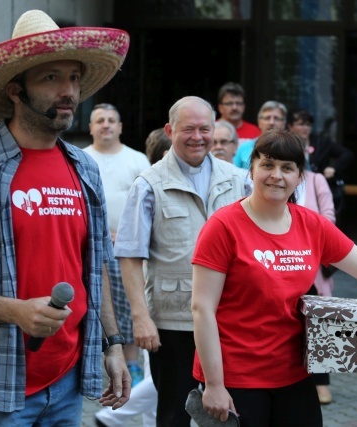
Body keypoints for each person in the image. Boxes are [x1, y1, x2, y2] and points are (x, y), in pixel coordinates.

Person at [0, 10, 131, 425]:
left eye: (73, 78)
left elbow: (96, 263)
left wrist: (113, 344)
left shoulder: (85, 169)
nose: (68, 91)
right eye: (51, 78)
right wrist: (15, 311)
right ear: (15, 90)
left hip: (69, 381)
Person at [191, 129, 357, 426]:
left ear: (300, 176)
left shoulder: (311, 225)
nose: (277, 175)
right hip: (236, 377)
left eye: (287, 168)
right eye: (268, 164)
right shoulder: (223, 226)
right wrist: (214, 384)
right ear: (251, 169)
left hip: (294, 373)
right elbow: (202, 309)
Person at [115, 96, 247, 427]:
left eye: (205, 129)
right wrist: (140, 318)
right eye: (188, 129)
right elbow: (130, 256)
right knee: (174, 413)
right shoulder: (148, 184)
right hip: (174, 322)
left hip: (230, 319)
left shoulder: (239, 179)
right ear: (169, 130)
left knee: (236, 411)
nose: (198, 137)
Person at [95, 129, 169, 427]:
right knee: (167, 375)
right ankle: (113, 416)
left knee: (164, 377)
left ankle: (119, 418)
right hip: (157, 294)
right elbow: (132, 252)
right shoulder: (148, 188)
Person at [84, 102, 151, 387]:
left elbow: (149, 207)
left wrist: (124, 235)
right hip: (88, 248)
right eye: (100, 120)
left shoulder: (137, 160)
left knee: (128, 307)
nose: (106, 125)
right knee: (93, 306)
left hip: (126, 249)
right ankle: (99, 366)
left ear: (121, 127)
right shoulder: (79, 158)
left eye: (112, 120)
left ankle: (132, 366)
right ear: (91, 128)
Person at [297, 167, 337, 405]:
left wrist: (304, 235)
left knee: (319, 325)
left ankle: (321, 383)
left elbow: (329, 216)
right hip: (282, 265)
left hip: (313, 262)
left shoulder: (316, 180)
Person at [287, 109, 354, 219]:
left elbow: (347, 154)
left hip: (318, 187)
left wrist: (334, 167)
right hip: (293, 186)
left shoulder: (321, 142)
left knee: (323, 215)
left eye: (308, 125)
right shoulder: (284, 143)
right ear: (290, 126)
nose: (305, 128)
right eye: (301, 124)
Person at [233, 100, 287, 169]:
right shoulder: (244, 148)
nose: (271, 122)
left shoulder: (291, 149)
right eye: (267, 118)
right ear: (259, 122)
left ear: (284, 123)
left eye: (276, 118)